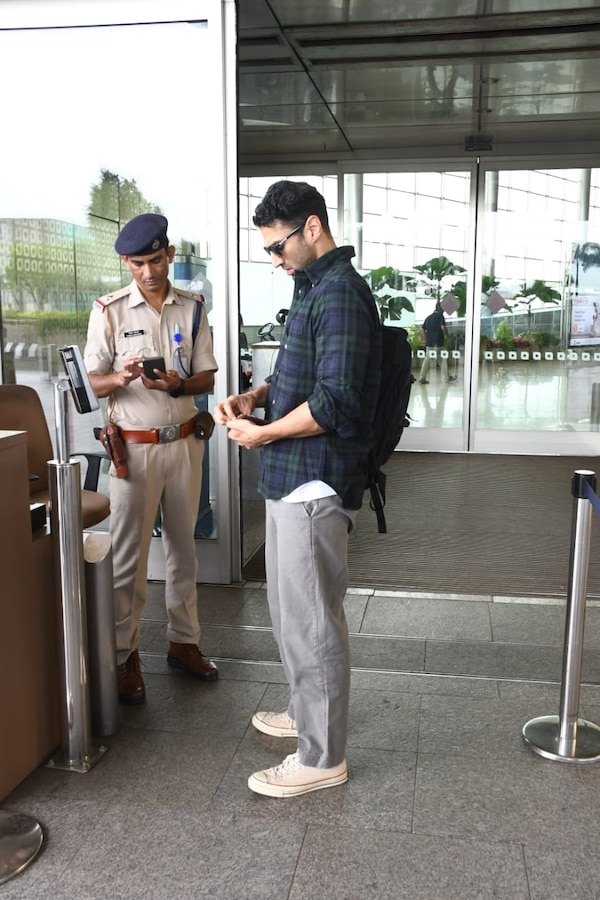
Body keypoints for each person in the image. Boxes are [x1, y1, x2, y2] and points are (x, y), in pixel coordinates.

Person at [213, 181, 381, 798]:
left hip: (313, 480)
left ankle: (322, 755)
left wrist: (262, 436)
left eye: (278, 246)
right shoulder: (311, 287)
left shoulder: (340, 294)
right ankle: (304, 712)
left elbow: (336, 401)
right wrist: (253, 399)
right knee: (289, 614)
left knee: (313, 622)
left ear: (312, 227)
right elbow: (292, 376)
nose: (275, 259)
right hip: (289, 476)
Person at [84, 213, 219, 705]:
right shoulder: (110, 311)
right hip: (133, 451)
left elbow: (206, 377)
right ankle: (124, 657)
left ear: (170, 256)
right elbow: (90, 382)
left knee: (185, 552)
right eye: (138, 263)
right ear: (126, 262)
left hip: (184, 443)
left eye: (156, 260)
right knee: (129, 560)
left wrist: (178, 384)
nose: (148, 272)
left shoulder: (194, 308)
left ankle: (184, 643)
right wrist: (120, 377)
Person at [418, 300, 456, 384]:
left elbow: (422, 329)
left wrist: (425, 339)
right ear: (441, 309)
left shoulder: (429, 317)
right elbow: (443, 327)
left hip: (429, 342)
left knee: (428, 359)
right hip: (438, 342)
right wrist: (448, 337)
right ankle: (446, 377)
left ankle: (422, 377)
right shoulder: (440, 317)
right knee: (440, 359)